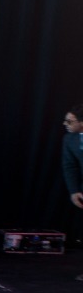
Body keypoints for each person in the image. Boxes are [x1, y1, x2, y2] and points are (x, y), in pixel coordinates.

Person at [63, 106, 83, 268]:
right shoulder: (70, 139)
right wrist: (74, 190)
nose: (65, 124)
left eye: (70, 121)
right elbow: (69, 166)